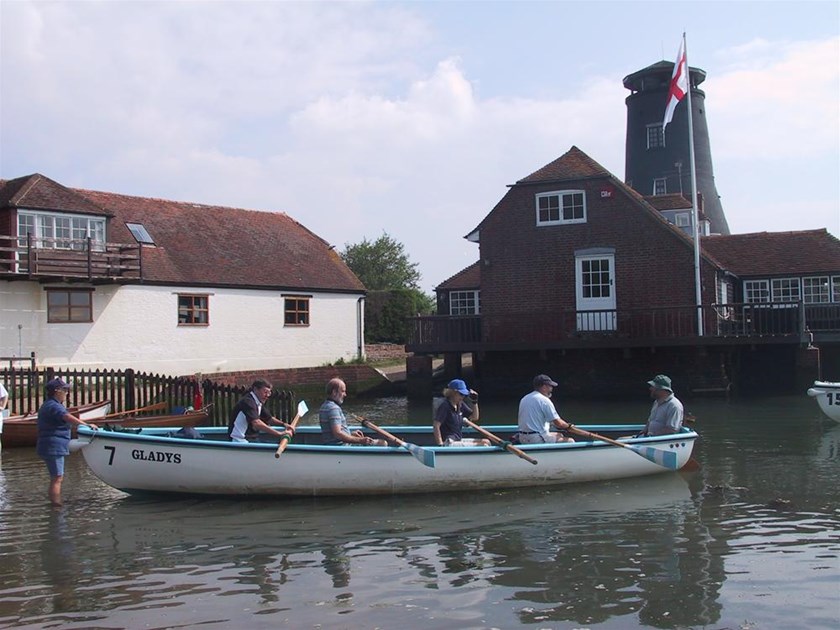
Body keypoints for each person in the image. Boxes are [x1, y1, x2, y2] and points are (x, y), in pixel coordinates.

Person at [36, 377, 99, 506]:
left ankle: (55, 504)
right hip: (53, 445)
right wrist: (85, 425)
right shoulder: (53, 405)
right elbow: (66, 416)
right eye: (64, 390)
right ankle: (57, 506)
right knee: (57, 478)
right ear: (57, 391)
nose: (67, 393)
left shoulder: (51, 404)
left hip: (51, 445)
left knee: (56, 477)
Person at [319, 378, 387, 446]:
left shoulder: (324, 406)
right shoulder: (333, 408)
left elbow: (333, 434)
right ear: (334, 392)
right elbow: (337, 434)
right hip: (342, 447)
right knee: (383, 443)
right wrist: (360, 440)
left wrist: (350, 434)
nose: (345, 394)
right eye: (343, 391)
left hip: (339, 444)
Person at [228, 379, 296, 443]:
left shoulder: (258, 402)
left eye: (269, 393)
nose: (267, 395)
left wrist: (284, 424)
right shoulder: (248, 402)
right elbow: (256, 423)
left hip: (252, 439)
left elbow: (269, 419)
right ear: (255, 389)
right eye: (265, 392)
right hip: (239, 440)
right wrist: (279, 433)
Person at [517, 374, 574, 444]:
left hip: (522, 437)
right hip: (536, 438)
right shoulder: (544, 400)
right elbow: (559, 423)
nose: (551, 389)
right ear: (544, 387)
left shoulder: (524, 398)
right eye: (550, 386)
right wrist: (570, 426)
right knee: (570, 441)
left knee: (559, 435)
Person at [433, 379, 490, 446]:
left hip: (458, 440)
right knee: (483, 444)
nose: (463, 397)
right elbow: (436, 425)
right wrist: (440, 444)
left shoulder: (460, 405)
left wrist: (474, 402)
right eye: (461, 394)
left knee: (486, 441)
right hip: (449, 442)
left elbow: (475, 417)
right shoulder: (445, 406)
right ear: (453, 393)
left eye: (464, 395)